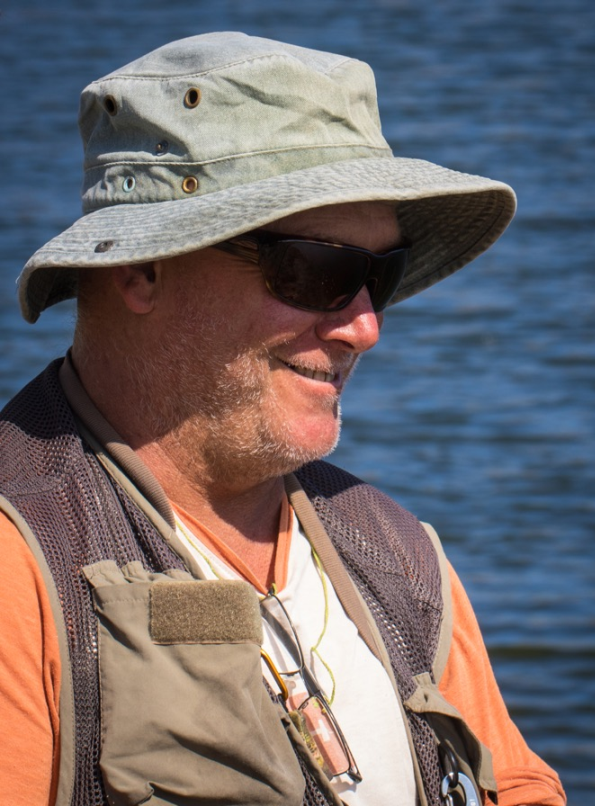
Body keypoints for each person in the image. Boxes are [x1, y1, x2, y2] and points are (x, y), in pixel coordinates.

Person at [0, 32, 565, 806]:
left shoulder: (400, 555)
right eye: (316, 271)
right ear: (142, 267)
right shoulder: (20, 561)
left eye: (380, 276)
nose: (365, 326)